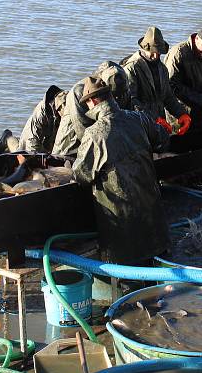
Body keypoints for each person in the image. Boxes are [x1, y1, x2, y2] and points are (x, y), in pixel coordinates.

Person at [72, 76, 172, 265]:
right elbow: (163, 140)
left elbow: (81, 175)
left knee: (128, 283)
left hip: (123, 229)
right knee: (156, 276)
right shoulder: (139, 118)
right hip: (154, 221)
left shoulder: (94, 134)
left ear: (92, 101)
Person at [122, 26, 192, 135]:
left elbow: (168, 97)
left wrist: (182, 114)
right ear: (144, 48)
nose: (156, 55)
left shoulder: (162, 69)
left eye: (159, 52)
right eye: (152, 52)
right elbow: (131, 102)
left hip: (159, 127)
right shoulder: (131, 68)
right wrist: (155, 119)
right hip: (139, 127)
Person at [52, 61, 130, 157]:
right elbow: (83, 132)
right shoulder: (79, 93)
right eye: (114, 96)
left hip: (103, 138)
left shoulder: (121, 82)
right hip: (72, 147)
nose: (117, 99)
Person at [0, 85, 66, 154]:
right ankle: (7, 138)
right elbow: (32, 146)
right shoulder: (41, 113)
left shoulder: (71, 105)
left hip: (51, 129)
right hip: (36, 129)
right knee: (22, 151)